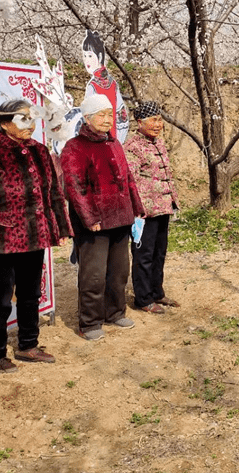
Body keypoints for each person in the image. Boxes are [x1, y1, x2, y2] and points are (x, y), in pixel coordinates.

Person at [0, 100, 72, 374]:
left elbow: (54, 193)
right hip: (2, 241)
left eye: (32, 118)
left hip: (35, 236)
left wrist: (61, 227)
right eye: (23, 119)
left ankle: (27, 345)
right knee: (0, 299)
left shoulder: (41, 151)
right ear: (5, 123)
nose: (31, 125)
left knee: (31, 294)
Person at [61, 94, 144, 341]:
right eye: (102, 114)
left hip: (121, 217)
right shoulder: (75, 147)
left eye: (110, 114)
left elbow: (128, 178)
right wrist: (89, 218)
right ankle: (89, 322)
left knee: (119, 271)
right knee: (93, 274)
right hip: (94, 223)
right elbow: (75, 187)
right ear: (86, 118)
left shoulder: (114, 144)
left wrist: (135, 207)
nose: (108, 120)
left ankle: (115, 312)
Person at [124, 102, 180, 315]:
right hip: (144, 211)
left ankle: (157, 292)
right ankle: (143, 298)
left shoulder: (159, 143)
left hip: (163, 207)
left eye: (159, 120)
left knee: (159, 252)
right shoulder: (133, 146)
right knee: (143, 255)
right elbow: (131, 181)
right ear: (140, 123)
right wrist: (138, 209)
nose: (158, 124)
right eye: (153, 120)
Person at [82, 29, 129, 143]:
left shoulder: (93, 86)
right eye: (84, 56)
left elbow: (120, 112)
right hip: (113, 137)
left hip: (101, 136)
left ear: (99, 55)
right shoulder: (112, 83)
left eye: (90, 56)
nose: (86, 60)